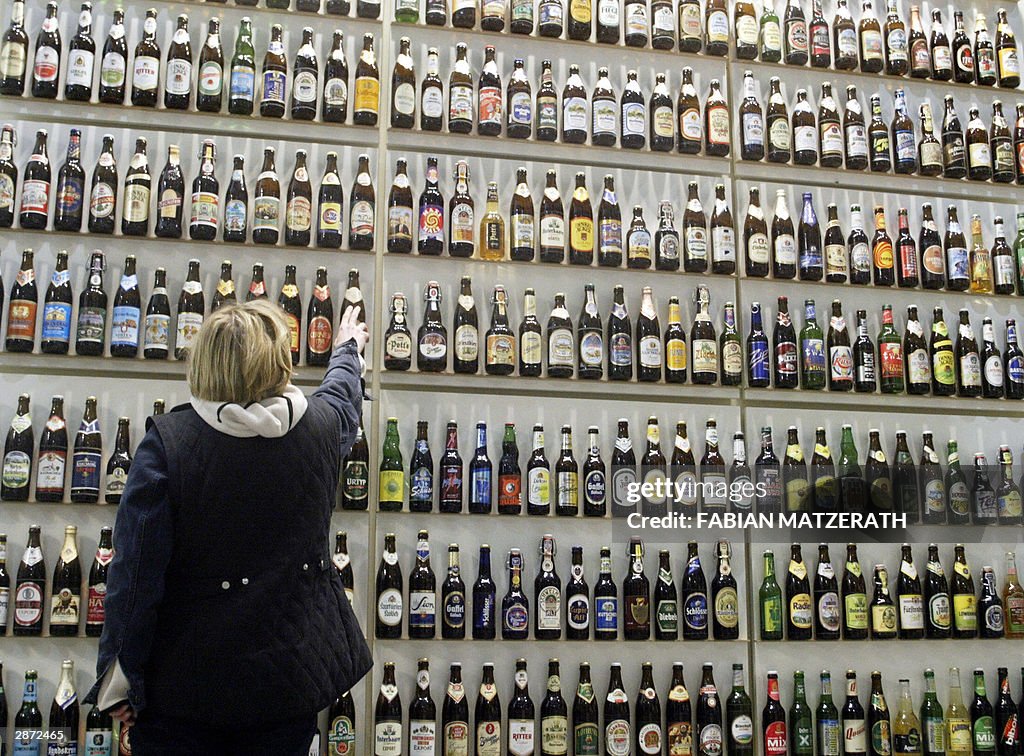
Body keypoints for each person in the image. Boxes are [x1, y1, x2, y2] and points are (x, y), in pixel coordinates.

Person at [84, 300, 373, 755]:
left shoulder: (169, 443)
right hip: (288, 684)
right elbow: (341, 395)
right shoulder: (319, 427)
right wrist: (347, 350)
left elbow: (135, 577)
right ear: (279, 361)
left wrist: (120, 675)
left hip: (188, 690)